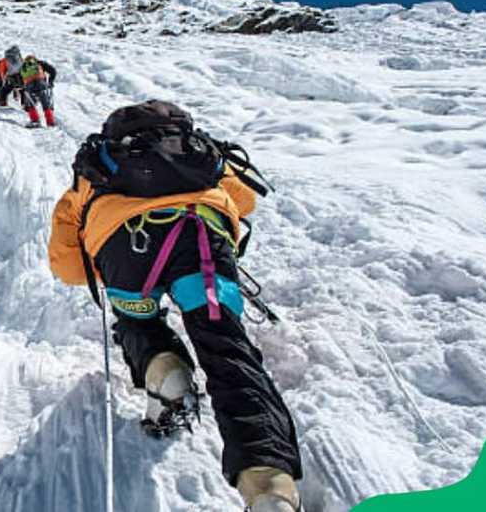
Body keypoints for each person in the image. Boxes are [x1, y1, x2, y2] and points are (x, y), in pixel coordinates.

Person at [48, 100, 302, 512]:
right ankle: (268, 482)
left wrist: (103, 268)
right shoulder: (199, 152)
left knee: (138, 322)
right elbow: (245, 200)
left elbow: (68, 265)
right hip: (200, 237)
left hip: (125, 249)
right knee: (226, 346)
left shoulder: (94, 169)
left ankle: (165, 374)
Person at [17, 54, 57, 127]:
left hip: (30, 86)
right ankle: (50, 122)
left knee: (30, 104)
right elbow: (53, 71)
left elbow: (19, 81)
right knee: (45, 103)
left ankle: (35, 121)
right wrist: (50, 81)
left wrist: (23, 87)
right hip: (41, 84)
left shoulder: (23, 67)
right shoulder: (40, 63)